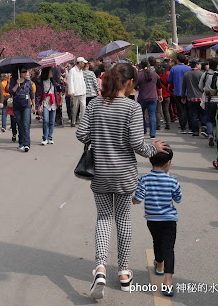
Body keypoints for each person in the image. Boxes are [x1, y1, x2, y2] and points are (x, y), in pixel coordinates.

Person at [75, 63, 170, 300]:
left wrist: (98, 135)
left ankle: (100, 269)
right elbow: (138, 144)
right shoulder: (131, 108)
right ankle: (124, 273)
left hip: (100, 173)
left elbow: (81, 134)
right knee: (124, 219)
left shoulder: (96, 104)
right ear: (129, 83)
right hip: (125, 174)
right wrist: (154, 148)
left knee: (104, 219)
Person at [133, 148, 182, 297]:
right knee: (169, 247)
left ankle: (159, 265)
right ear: (168, 163)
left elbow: (137, 199)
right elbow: (178, 199)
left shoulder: (144, 179)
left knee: (157, 241)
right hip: (169, 220)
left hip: (152, 220)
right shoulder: (173, 180)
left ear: (150, 160)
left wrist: (133, 199)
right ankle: (168, 282)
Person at [9, 68, 34, 152]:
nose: (25, 73)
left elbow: (31, 93)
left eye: (26, 71)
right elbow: (11, 92)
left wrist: (34, 105)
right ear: (19, 73)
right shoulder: (13, 81)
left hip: (26, 105)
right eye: (23, 71)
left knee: (26, 124)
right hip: (17, 106)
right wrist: (17, 84)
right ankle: (21, 142)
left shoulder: (28, 82)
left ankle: (27, 144)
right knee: (20, 125)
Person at [137, 60, 162, 139]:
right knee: (152, 115)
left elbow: (135, 86)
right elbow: (159, 86)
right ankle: (152, 133)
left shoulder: (139, 75)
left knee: (141, 115)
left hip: (142, 98)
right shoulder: (155, 75)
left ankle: (143, 130)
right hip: (153, 97)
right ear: (148, 66)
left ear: (141, 66)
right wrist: (160, 95)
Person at [181, 58, 205, 137]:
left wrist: (183, 96)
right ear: (197, 65)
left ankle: (195, 131)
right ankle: (204, 128)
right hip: (201, 98)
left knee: (193, 115)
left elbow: (183, 87)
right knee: (203, 114)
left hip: (191, 98)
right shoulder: (202, 74)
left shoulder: (186, 74)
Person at [168, 54, 190, 133]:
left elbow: (169, 80)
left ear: (177, 60)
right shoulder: (189, 68)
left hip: (177, 91)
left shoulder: (174, 69)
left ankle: (183, 127)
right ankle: (189, 126)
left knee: (180, 110)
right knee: (188, 109)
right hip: (188, 92)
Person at [200, 58, 218, 147]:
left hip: (209, 99)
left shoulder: (206, 73)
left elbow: (200, 86)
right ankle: (217, 136)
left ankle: (210, 134)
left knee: (209, 119)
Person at [36, 67, 58, 145]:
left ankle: (50, 137)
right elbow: (38, 94)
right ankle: (45, 137)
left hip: (53, 102)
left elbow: (58, 89)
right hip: (45, 102)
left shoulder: (53, 81)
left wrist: (61, 82)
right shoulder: (41, 82)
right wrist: (37, 105)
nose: (52, 73)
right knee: (46, 120)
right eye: (50, 72)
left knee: (52, 121)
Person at [67, 58, 87, 127]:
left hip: (82, 92)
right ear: (80, 63)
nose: (84, 64)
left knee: (83, 107)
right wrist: (71, 92)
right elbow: (70, 82)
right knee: (74, 109)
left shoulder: (81, 71)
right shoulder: (72, 71)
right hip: (75, 93)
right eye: (83, 63)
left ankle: (82, 122)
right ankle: (73, 121)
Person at [157, 63, 171, 130]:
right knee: (166, 110)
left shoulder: (157, 76)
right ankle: (168, 124)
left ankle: (158, 125)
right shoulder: (167, 75)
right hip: (167, 94)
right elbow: (170, 84)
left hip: (159, 94)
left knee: (158, 111)